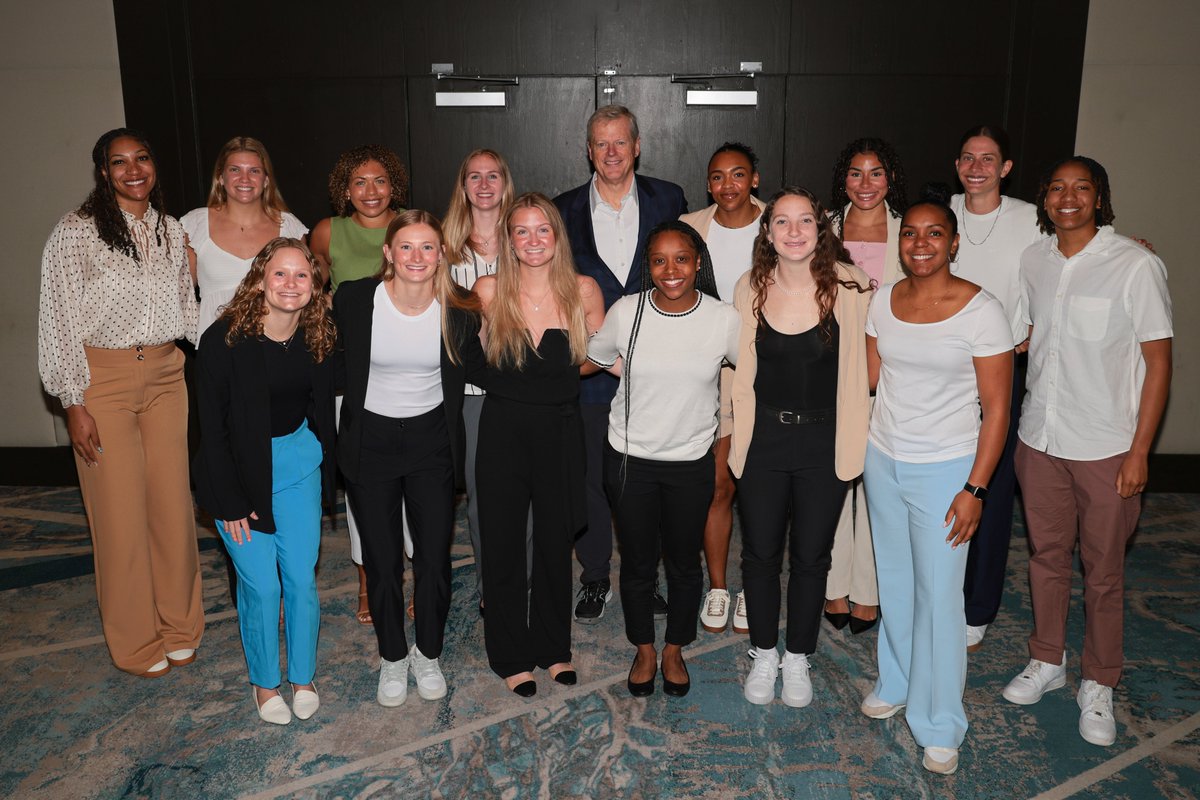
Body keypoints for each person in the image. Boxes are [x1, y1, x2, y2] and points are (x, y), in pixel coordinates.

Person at [1002, 157, 1172, 749]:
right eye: (1056, 188)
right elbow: (1023, 334)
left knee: (1103, 573)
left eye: (1081, 188)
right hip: (1039, 439)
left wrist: (1140, 452)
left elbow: (1158, 364)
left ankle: (1099, 681)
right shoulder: (1034, 260)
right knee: (1046, 558)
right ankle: (1047, 661)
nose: (1067, 198)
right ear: (1044, 199)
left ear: (1100, 197)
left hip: (1106, 446)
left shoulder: (1136, 264)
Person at [37, 128, 203, 677]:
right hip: (101, 381)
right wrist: (72, 401)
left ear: (154, 165)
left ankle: (180, 625)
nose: (133, 170)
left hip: (164, 377)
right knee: (119, 515)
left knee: (173, 508)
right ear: (102, 171)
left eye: (142, 158)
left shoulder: (169, 228)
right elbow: (57, 321)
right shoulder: (75, 234)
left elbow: (185, 315)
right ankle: (135, 642)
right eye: (118, 162)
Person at [860, 192, 1012, 776]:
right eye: (911, 234)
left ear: (952, 241)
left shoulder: (981, 310)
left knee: (941, 598)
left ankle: (941, 721)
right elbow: (869, 378)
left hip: (948, 468)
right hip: (884, 459)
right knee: (895, 582)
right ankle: (896, 681)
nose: (920, 244)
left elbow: (997, 409)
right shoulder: (885, 301)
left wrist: (975, 489)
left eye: (933, 234)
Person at [334, 210, 488, 708]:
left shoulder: (460, 311)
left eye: (427, 247)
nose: (417, 257)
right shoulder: (356, 299)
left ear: (441, 254)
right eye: (406, 246)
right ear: (388, 253)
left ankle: (429, 652)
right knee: (381, 562)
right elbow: (324, 359)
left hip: (431, 443)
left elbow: (489, 367)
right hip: (370, 442)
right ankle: (393, 657)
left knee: (433, 561)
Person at [729, 187, 872, 708]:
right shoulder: (750, 288)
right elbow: (735, 367)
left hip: (824, 440)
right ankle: (764, 652)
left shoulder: (852, 287)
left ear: (821, 229)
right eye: (782, 222)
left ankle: (797, 657)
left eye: (805, 221)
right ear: (767, 232)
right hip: (763, 437)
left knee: (812, 557)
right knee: (761, 555)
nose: (794, 232)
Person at [587, 221, 740, 696]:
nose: (670, 270)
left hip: (690, 461)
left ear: (698, 264)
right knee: (636, 562)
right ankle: (644, 649)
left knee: (683, 563)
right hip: (630, 458)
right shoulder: (627, 310)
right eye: (659, 260)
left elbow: (748, 371)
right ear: (647, 266)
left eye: (681, 259)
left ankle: (674, 647)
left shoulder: (723, 318)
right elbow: (596, 356)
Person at [193, 238, 336, 725]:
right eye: (280, 274)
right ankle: (264, 683)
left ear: (315, 287)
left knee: (299, 579)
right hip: (237, 473)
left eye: (302, 275)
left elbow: (321, 409)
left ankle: (302, 676)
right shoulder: (223, 340)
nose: (291, 285)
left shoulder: (317, 336)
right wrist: (228, 501)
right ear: (259, 279)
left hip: (297, 465)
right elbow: (209, 432)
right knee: (261, 587)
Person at [554, 105, 687, 623]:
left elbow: (682, 273)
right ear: (589, 150)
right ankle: (592, 578)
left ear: (637, 146)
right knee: (589, 477)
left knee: (645, 481)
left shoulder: (669, 198)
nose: (611, 152)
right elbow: (560, 290)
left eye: (620, 142)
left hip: (656, 372)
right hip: (590, 373)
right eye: (600, 144)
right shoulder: (563, 209)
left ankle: (643, 575)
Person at [474, 193, 605, 696]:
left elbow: (597, 355)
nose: (532, 241)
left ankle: (554, 649)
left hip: (561, 428)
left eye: (542, 230)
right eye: (521, 231)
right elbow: (463, 352)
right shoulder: (487, 291)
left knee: (555, 541)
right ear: (508, 240)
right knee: (504, 543)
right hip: (503, 430)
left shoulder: (583, 289)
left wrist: (558, 377)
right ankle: (510, 655)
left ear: (557, 236)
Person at [948, 125, 1042, 653]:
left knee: (992, 488)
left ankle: (977, 606)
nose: (976, 167)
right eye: (967, 157)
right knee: (945, 480)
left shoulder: (1032, 218)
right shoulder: (942, 212)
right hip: (941, 368)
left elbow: (1070, 259)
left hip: (1002, 365)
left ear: (1005, 168)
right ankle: (938, 591)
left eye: (988, 159)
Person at [309, 144, 409, 626]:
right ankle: (369, 577)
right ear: (344, 189)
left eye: (380, 180)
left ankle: (404, 573)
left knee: (412, 479)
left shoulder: (413, 225)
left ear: (394, 185)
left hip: (411, 368)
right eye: (359, 182)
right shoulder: (329, 231)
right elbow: (314, 286)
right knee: (363, 480)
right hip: (352, 372)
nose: (371, 191)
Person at [822, 137, 908, 635]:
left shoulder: (909, 230)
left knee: (876, 487)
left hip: (892, 372)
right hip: (831, 369)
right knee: (835, 481)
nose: (866, 183)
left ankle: (869, 593)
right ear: (843, 179)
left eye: (876, 173)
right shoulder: (823, 227)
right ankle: (834, 587)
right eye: (856, 173)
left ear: (890, 178)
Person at [679, 142, 765, 635]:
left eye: (738, 175)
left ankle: (754, 585)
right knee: (718, 483)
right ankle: (717, 587)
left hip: (770, 366)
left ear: (754, 179)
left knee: (760, 486)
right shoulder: (692, 227)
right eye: (717, 177)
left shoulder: (782, 221)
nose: (727, 185)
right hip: (712, 369)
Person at [443, 148, 518, 614]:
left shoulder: (528, 239)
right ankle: (496, 585)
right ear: (464, 185)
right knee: (481, 498)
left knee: (527, 496)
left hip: (524, 392)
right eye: (475, 176)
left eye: (494, 175)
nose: (485, 184)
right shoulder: (444, 249)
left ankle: (527, 577)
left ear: (505, 183)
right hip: (471, 395)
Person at [182, 136, 308, 339]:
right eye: (235, 170)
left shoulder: (290, 227)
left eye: (254, 171)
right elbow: (181, 294)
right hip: (216, 348)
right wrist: (198, 335)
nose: (244, 179)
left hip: (276, 346)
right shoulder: (195, 224)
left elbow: (304, 293)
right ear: (221, 177)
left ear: (266, 180)